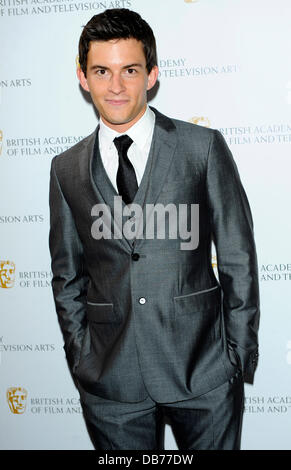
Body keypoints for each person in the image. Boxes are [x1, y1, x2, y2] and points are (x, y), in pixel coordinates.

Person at [49, 8, 260, 450]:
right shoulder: (66, 168)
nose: (116, 86)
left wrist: (236, 355)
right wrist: (82, 356)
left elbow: (238, 256)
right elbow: (67, 276)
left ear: (152, 75)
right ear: (83, 78)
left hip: (204, 373)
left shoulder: (201, 148)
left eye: (130, 70)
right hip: (111, 382)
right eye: (101, 71)